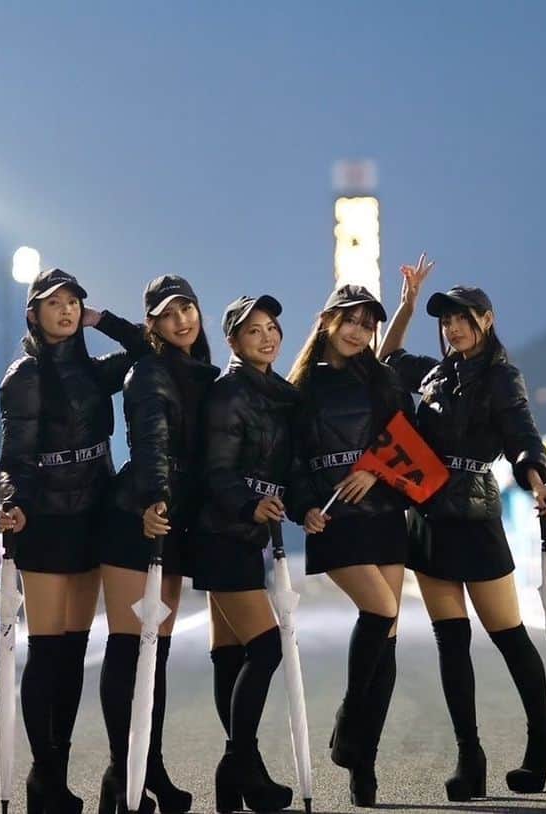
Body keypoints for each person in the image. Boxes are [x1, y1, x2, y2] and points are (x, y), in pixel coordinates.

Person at [378, 257, 546, 801]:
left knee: (508, 635)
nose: (453, 327)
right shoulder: (435, 374)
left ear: (487, 319)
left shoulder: (502, 376)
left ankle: (542, 742)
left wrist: (536, 481)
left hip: (477, 514)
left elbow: (522, 435)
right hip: (428, 514)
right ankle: (469, 756)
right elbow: (385, 357)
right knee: (451, 642)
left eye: (462, 317)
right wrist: (408, 305)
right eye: (445, 320)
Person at [0, 267, 148, 814]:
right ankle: (45, 775)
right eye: (52, 303)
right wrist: (13, 503)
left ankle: (55, 776)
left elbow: (148, 347)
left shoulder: (94, 370)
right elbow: (14, 457)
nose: (64, 310)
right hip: (46, 519)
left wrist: (103, 320)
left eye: (72, 302)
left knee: (76, 649)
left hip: (94, 514)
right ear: (33, 314)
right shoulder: (25, 375)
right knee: (48, 650)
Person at [285, 284, 413, 806]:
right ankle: (349, 718)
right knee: (381, 611)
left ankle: (363, 762)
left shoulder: (382, 379)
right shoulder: (298, 390)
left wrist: (375, 468)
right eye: (351, 321)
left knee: (387, 641)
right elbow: (289, 463)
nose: (359, 332)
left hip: (384, 515)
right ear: (327, 321)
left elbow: (407, 437)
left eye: (367, 324)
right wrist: (303, 508)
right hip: (334, 520)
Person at [98, 276, 218, 814]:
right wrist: (154, 499)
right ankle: (120, 776)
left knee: (157, 655)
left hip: (175, 517)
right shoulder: (148, 371)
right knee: (131, 649)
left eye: (186, 309)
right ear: (153, 325)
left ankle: (150, 768)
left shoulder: (201, 371)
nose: (181, 320)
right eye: (168, 315)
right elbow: (149, 442)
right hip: (138, 517)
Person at [193, 295, 298, 814]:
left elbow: (287, 468)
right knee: (267, 647)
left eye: (272, 327)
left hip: (245, 535)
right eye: (254, 330)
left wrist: (301, 506)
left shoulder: (281, 394)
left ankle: (236, 776)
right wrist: (250, 503)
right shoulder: (227, 393)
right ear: (233, 340)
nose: (267, 336)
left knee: (230, 655)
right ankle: (240, 763)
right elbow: (217, 470)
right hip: (219, 533)